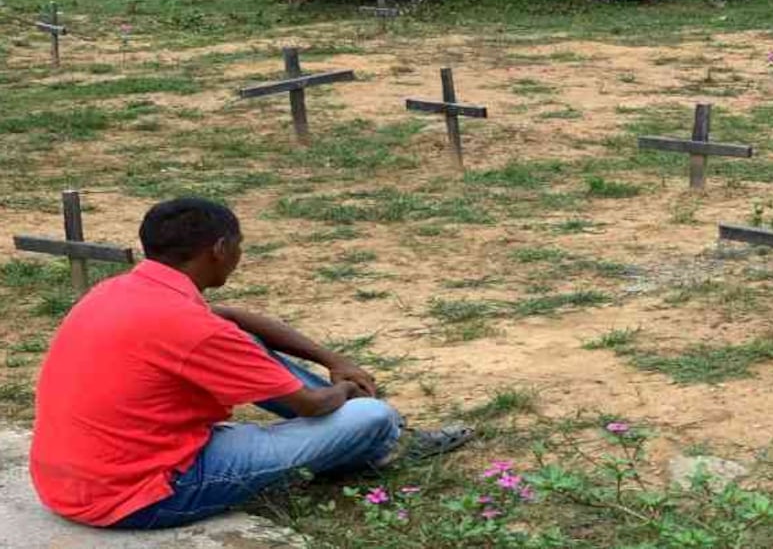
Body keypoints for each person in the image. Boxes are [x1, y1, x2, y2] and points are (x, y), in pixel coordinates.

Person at [29, 197, 472, 530]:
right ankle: (385, 440)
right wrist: (346, 390)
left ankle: (369, 438)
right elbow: (311, 405)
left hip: (71, 480)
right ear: (220, 248)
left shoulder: (121, 291)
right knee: (371, 414)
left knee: (254, 347)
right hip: (143, 494)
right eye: (239, 245)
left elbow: (239, 319)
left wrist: (331, 359)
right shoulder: (194, 328)